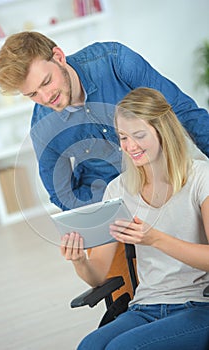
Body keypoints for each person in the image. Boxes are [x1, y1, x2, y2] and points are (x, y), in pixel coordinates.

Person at [0, 31, 209, 212]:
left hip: (165, 177)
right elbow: (61, 194)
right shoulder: (44, 128)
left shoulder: (115, 61)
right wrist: (100, 215)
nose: (45, 98)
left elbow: (183, 111)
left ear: (59, 56)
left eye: (47, 82)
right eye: (32, 94)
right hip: (110, 201)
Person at [66, 87, 209, 350]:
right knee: (89, 346)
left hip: (199, 305)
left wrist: (155, 239)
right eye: (123, 137)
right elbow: (98, 275)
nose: (130, 146)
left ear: (163, 132)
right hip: (145, 307)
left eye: (139, 135)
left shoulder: (201, 177)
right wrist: (79, 262)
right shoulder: (117, 190)